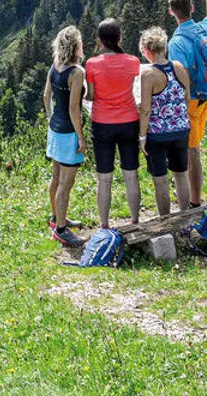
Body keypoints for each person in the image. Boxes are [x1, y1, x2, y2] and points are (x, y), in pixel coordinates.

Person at [84, 18, 142, 228]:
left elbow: (90, 95)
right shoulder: (133, 61)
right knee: (131, 174)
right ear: (120, 37)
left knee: (104, 178)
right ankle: (135, 219)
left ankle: (105, 224)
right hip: (129, 121)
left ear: (99, 40)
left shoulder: (91, 64)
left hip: (102, 123)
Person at [167, 0, 207, 208]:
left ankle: (194, 200)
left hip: (191, 100)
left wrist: (182, 102)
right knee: (192, 147)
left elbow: (182, 74)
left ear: (171, 12)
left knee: (191, 150)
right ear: (192, 8)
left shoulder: (176, 42)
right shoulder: (204, 29)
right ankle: (189, 195)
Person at [137, 26, 192, 217]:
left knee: (161, 180)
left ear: (148, 50)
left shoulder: (148, 75)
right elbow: (186, 99)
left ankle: (165, 221)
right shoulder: (178, 67)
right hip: (181, 129)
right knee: (181, 175)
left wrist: (142, 137)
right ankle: (185, 218)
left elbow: (145, 109)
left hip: (157, 134)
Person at [42, 25, 86, 247]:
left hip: (55, 130)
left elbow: (46, 95)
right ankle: (61, 229)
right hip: (69, 132)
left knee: (56, 177)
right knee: (66, 183)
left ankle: (56, 217)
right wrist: (81, 136)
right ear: (76, 46)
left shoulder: (55, 65)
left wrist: (50, 118)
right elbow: (74, 109)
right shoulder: (77, 73)